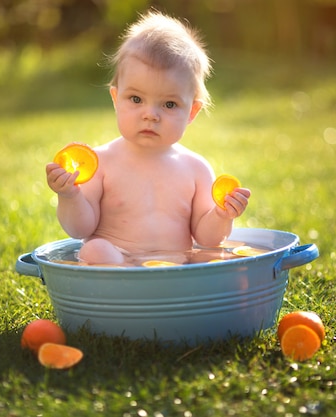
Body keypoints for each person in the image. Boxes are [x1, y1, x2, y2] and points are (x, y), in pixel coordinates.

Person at [46, 10, 251, 265]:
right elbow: (80, 229)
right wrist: (69, 196)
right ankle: (125, 293)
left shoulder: (196, 169)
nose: (151, 115)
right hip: (117, 261)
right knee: (95, 250)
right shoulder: (102, 163)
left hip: (175, 268)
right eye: (136, 99)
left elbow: (207, 239)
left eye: (169, 104)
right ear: (115, 99)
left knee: (214, 257)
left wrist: (222, 214)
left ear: (192, 111)